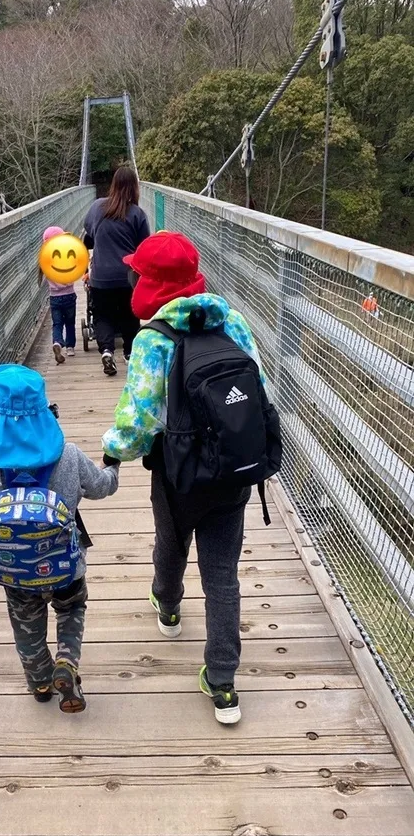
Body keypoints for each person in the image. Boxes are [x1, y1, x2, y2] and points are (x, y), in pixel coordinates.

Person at [101, 232, 270, 726]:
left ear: (146, 282)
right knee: (222, 575)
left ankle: (169, 608)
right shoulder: (232, 320)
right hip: (233, 471)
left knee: (171, 543)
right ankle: (222, 682)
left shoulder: (153, 339)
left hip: (179, 475)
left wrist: (112, 453)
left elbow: (138, 421)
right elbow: (256, 388)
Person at [0, 364, 120, 712]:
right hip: (64, 563)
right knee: (72, 607)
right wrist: (113, 464)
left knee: (26, 623)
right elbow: (103, 487)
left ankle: (39, 682)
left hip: (15, 564)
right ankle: (66, 663)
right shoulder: (68, 455)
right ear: (45, 411)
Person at [84, 166, 150, 377]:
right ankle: (130, 354)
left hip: (100, 276)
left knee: (102, 315)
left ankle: (106, 350)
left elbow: (89, 234)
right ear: (134, 188)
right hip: (127, 277)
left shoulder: (96, 207)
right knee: (130, 314)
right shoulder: (137, 214)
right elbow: (144, 248)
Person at [41, 225, 78, 364]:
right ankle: (70, 347)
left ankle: (57, 342)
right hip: (69, 295)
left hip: (54, 298)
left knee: (57, 324)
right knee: (70, 322)